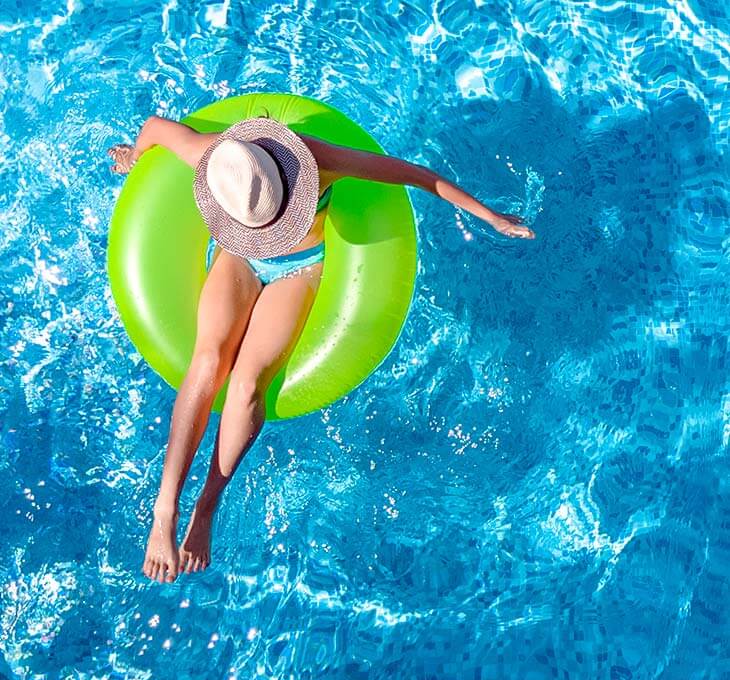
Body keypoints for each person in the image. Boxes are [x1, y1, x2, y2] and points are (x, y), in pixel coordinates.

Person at [107, 112, 536, 584]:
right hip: (237, 257)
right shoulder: (214, 157)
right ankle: (164, 511)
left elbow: (415, 174)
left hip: (299, 270)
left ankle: (206, 504)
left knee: (247, 383)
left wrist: (490, 217)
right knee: (209, 360)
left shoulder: (316, 160)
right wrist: (132, 156)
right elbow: (153, 128)